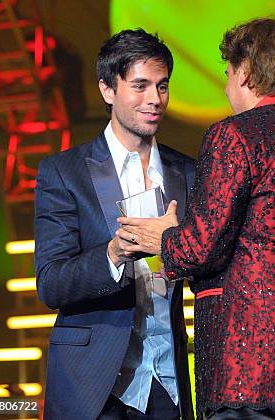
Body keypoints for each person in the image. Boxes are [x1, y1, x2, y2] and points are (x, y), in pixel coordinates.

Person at [116, 18, 275, 420]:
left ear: (246, 72)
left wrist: (163, 237)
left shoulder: (236, 136)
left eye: (229, 74)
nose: (227, 86)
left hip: (253, 373)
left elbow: (199, 249)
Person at [34, 29, 195, 420]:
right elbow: (51, 283)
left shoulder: (189, 171)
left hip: (168, 381)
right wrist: (113, 253)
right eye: (140, 86)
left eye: (162, 86)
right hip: (93, 384)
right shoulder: (64, 172)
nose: (154, 99)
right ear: (108, 89)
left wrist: (181, 248)